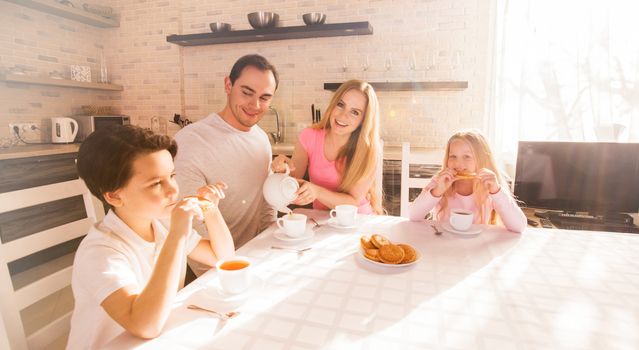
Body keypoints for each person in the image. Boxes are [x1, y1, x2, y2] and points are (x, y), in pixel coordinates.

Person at [68, 125, 235, 348]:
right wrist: (177, 235)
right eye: (156, 183)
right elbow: (145, 325)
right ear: (115, 196)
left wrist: (211, 210)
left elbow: (223, 258)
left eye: (172, 176)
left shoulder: (161, 222)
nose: (173, 190)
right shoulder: (100, 252)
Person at [174, 54, 279, 252]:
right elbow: (192, 226)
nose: (255, 105)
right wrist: (225, 269)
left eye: (264, 97)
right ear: (228, 85)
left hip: (256, 254)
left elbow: (265, 204)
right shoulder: (190, 141)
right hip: (217, 264)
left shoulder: (261, 139)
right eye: (247, 92)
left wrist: (271, 244)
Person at [272, 79, 383, 214]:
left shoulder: (369, 150)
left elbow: (353, 202)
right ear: (333, 105)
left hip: (358, 219)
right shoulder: (309, 137)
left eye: (355, 112)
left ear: (363, 121)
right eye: (341, 105)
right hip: (323, 219)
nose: (343, 115)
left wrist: (317, 191)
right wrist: (282, 171)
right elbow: (293, 181)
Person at [408, 130, 526, 232]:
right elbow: (413, 216)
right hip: (443, 242)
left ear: (482, 159)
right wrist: (437, 191)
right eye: (453, 156)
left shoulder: (490, 185)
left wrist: (496, 191)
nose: (458, 163)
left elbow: (519, 227)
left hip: (476, 246)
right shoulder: (440, 182)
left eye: (467, 157)